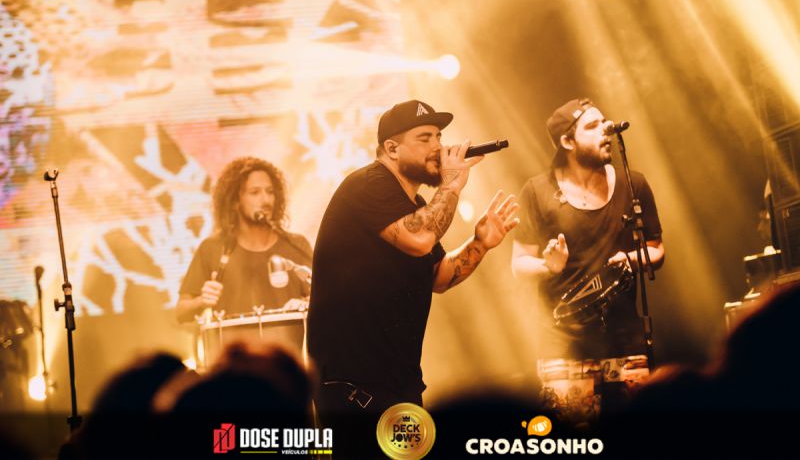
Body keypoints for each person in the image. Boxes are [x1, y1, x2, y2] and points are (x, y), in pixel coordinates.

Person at [306, 99, 519, 454]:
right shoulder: (368, 184)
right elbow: (419, 239)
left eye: (439, 136)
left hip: (396, 382)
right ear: (392, 148)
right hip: (354, 386)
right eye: (424, 138)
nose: (438, 146)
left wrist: (480, 243)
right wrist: (452, 185)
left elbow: (439, 277)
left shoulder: (416, 207)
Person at [511, 98, 665, 417]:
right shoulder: (537, 191)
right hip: (564, 347)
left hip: (626, 341)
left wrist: (631, 259)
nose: (605, 130)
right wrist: (548, 266)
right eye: (592, 126)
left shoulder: (632, 183)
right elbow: (519, 264)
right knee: (575, 437)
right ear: (567, 141)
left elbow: (656, 249)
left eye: (604, 122)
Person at [175, 157, 312, 324]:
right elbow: (180, 313)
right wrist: (201, 301)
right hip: (234, 342)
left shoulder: (297, 245)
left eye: (270, 192)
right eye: (255, 192)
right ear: (235, 201)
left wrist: (306, 304)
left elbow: (325, 298)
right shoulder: (212, 248)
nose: (266, 200)